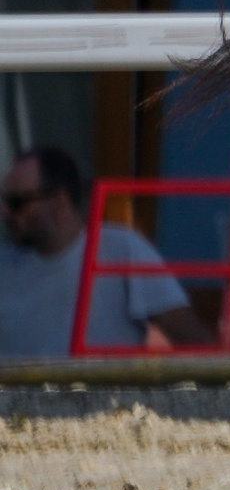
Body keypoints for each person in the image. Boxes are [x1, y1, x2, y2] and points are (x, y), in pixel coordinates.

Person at [0, 147, 210, 357]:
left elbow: (186, 332)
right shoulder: (5, 264)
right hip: (18, 389)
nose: (5, 214)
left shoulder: (120, 248)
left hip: (100, 389)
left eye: (16, 203)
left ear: (58, 203)